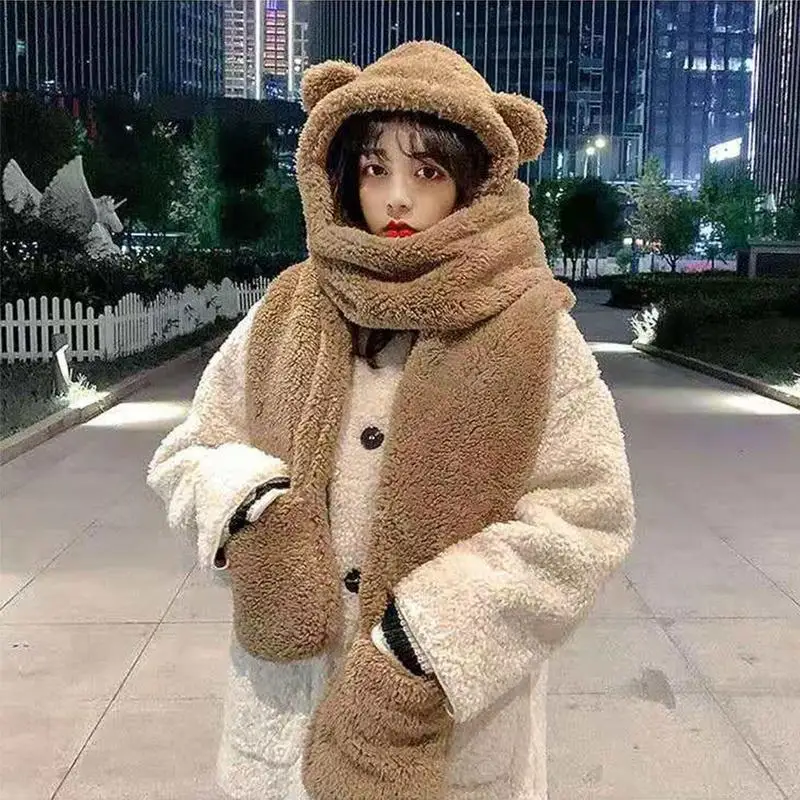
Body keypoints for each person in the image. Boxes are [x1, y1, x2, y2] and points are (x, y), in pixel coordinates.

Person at [148, 41, 635, 800]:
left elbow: (588, 515)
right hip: (285, 724)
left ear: (475, 181)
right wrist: (249, 507)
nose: (397, 199)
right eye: (375, 169)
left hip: (454, 747)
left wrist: (423, 641)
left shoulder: (532, 329)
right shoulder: (289, 308)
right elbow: (189, 453)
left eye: (428, 172)